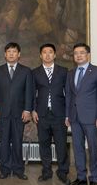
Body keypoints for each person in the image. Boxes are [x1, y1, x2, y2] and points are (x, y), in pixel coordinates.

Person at [65, 43, 97, 185]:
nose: (78, 55)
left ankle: (95, 178)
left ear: (88, 55)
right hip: (75, 117)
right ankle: (81, 177)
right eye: (76, 53)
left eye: (82, 52)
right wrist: (67, 116)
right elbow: (69, 97)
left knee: (93, 149)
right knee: (78, 149)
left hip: (92, 118)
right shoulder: (70, 73)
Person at [0, 42, 33, 180]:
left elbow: (29, 92)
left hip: (19, 113)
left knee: (17, 141)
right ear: (5, 54)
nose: (11, 54)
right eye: (8, 51)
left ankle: (18, 169)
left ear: (19, 54)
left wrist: (27, 110)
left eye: (14, 51)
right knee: (4, 142)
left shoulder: (26, 71)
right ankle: (4, 169)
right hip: (2, 113)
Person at [32, 43, 69, 184]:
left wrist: (68, 114)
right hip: (42, 114)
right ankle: (46, 172)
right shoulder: (34, 72)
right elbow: (31, 94)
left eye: (50, 52)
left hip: (59, 114)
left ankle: (62, 172)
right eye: (44, 52)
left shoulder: (64, 71)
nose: (47, 55)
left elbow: (69, 94)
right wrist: (33, 110)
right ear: (40, 55)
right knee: (44, 145)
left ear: (55, 55)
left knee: (61, 145)